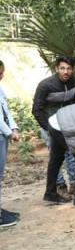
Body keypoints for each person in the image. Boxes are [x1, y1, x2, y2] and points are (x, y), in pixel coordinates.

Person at [32, 56, 75, 196]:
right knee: (55, 157)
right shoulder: (45, 85)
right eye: (62, 68)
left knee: (71, 153)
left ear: (73, 69)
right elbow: (36, 109)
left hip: (67, 125)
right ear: (56, 69)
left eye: (69, 68)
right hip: (49, 126)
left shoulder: (74, 82)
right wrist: (48, 128)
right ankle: (59, 185)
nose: (66, 72)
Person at [0, 60, 21, 227]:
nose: (2, 75)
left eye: (2, 72)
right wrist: (10, 132)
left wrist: (13, 128)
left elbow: (6, 111)